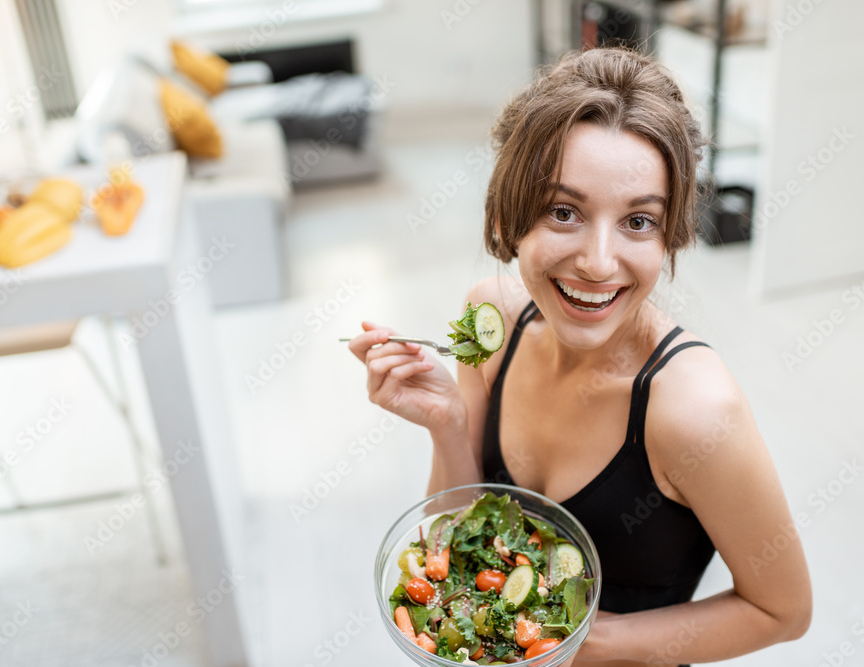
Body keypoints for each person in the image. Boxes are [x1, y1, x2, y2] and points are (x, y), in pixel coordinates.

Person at [348, 47, 812, 665]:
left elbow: (784, 612)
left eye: (639, 221)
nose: (598, 262)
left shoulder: (697, 410)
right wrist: (449, 425)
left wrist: (573, 643)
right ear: (512, 213)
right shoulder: (485, 316)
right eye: (563, 212)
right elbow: (456, 548)